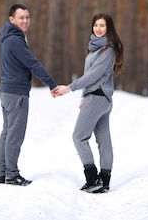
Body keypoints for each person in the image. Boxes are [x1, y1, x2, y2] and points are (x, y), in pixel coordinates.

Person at [55, 12, 124, 193]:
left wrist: (69, 88)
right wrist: (84, 96)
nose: (98, 29)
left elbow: (93, 75)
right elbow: (93, 77)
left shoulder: (108, 50)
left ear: (108, 28)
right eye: (95, 25)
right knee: (103, 140)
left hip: (98, 98)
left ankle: (93, 178)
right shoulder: (96, 48)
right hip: (97, 97)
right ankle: (104, 180)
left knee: (78, 136)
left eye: (102, 25)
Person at [0, 4, 58, 186]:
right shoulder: (15, 40)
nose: (25, 21)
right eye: (21, 17)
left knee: (7, 134)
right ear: (12, 20)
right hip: (16, 94)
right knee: (14, 136)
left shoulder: (8, 38)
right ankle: (11, 175)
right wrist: (52, 84)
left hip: (7, 91)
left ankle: (4, 172)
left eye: (27, 17)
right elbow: (34, 64)